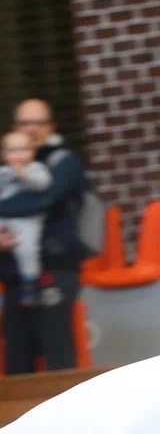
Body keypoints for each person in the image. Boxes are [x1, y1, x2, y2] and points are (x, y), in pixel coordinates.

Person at [0, 98, 89, 373]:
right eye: (25, 123)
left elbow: (38, 201)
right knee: (17, 359)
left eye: (38, 123)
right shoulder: (8, 168)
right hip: (14, 275)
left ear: (51, 127)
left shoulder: (64, 163)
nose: (31, 129)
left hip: (55, 269)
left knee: (57, 355)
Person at [0, 131, 53, 306]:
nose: (18, 155)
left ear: (32, 152)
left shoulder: (36, 168)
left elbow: (42, 184)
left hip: (27, 220)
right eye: (13, 151)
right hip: (4, 217)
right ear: (4, 154)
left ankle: (30, 283)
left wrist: (24, 174)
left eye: (24, 150)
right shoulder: (3, 172)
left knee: (27, 249)